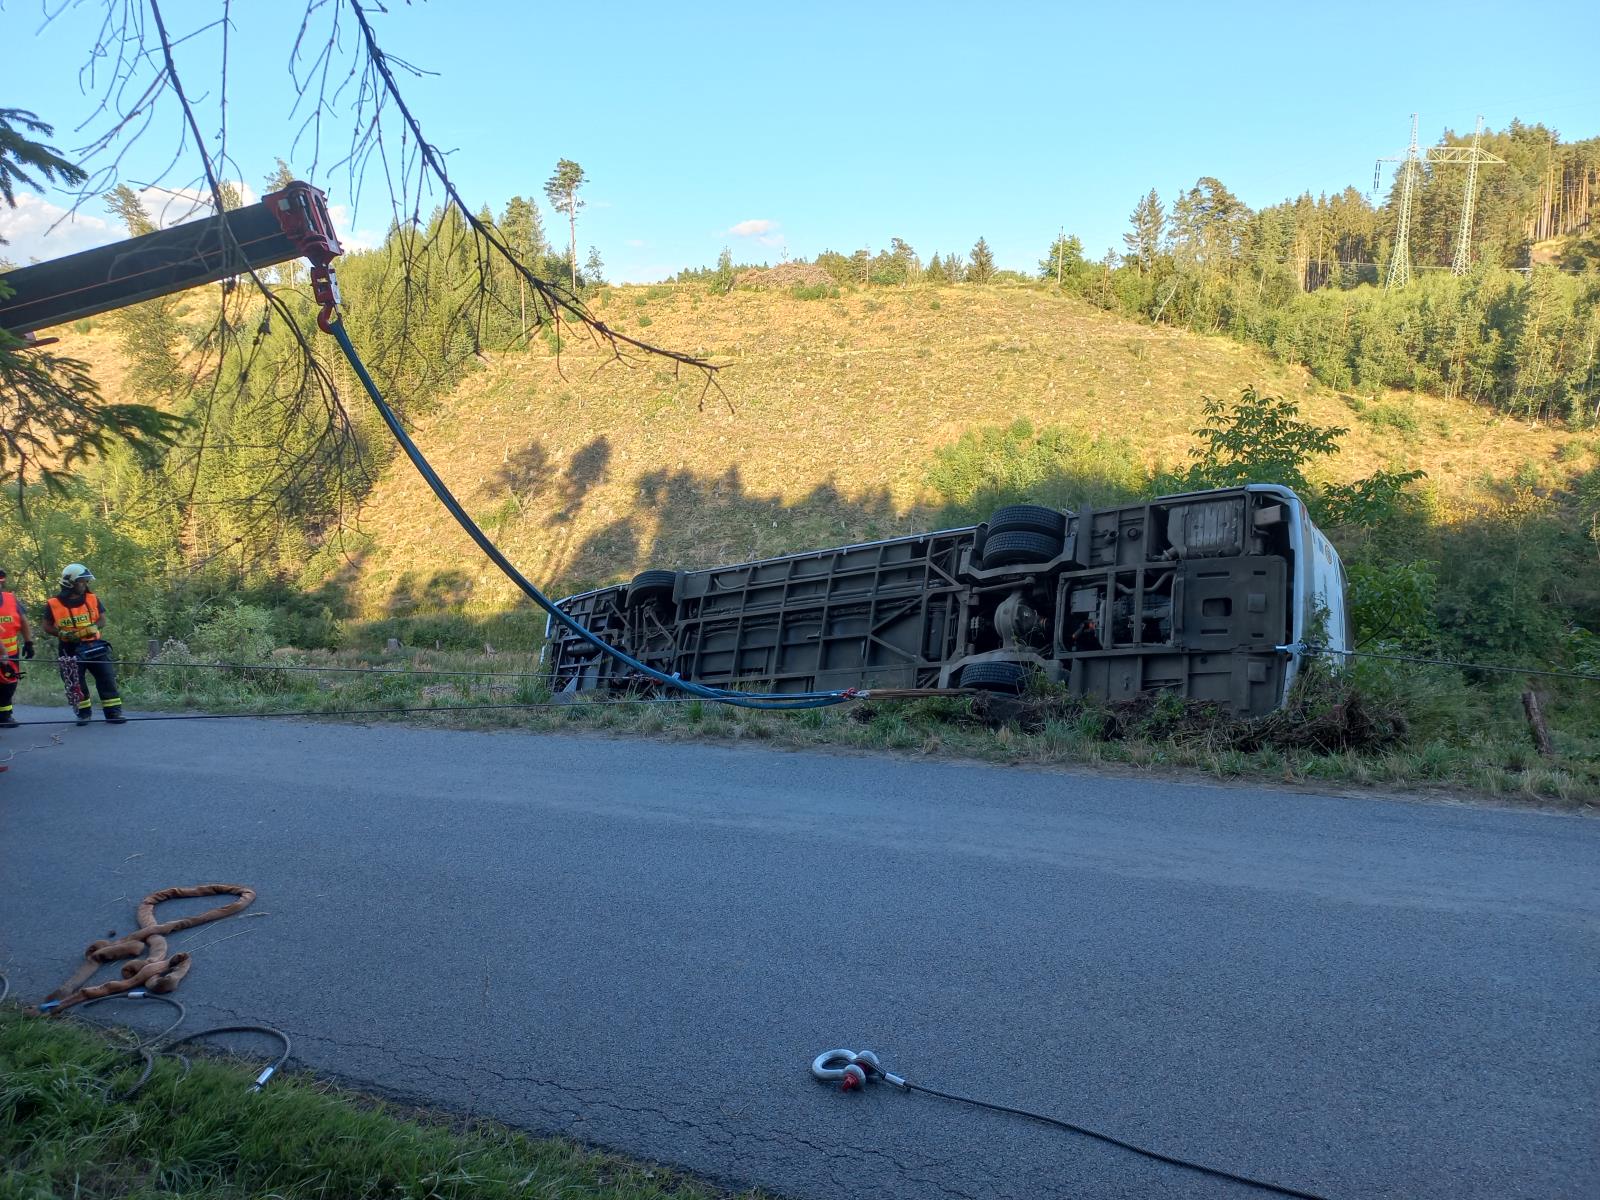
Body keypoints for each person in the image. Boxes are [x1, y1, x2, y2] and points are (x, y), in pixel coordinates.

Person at [42, 563, 125, 725]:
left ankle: (113, 713)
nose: (85, 585)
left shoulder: (92, 598)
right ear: (70, 583)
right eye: (82, 581)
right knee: (75, 681)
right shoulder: (53, 603)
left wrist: (91, 629)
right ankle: (83, 713)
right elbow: (46, 626)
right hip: (69, 649)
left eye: (86, 581)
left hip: (95, 646)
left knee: (106, 678)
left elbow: (102, 620)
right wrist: (61, 633)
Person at [0, 567, 36, 730]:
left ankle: (5, 716)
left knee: (9, 684)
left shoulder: (11, 599)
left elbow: (23, 621)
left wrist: (29, 643)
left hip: (10, 654)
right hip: (3, 654)